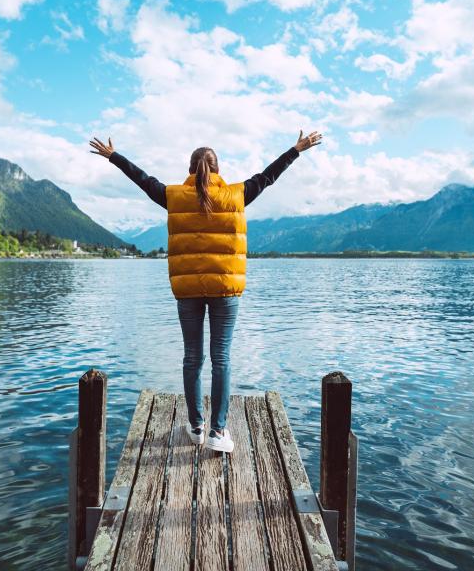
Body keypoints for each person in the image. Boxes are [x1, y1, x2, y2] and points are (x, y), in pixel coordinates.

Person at [88, 131, 322, 452]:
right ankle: (218, 431)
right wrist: (296, 150)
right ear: (218, 169)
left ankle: (196, 426)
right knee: (221, 358)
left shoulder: (173, 195)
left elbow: (143, 179)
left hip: (188, 291)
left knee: (192, 358)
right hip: (225, 290)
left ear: (190, 169)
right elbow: (267, 177)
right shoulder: (237, 194)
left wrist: (113, 156)